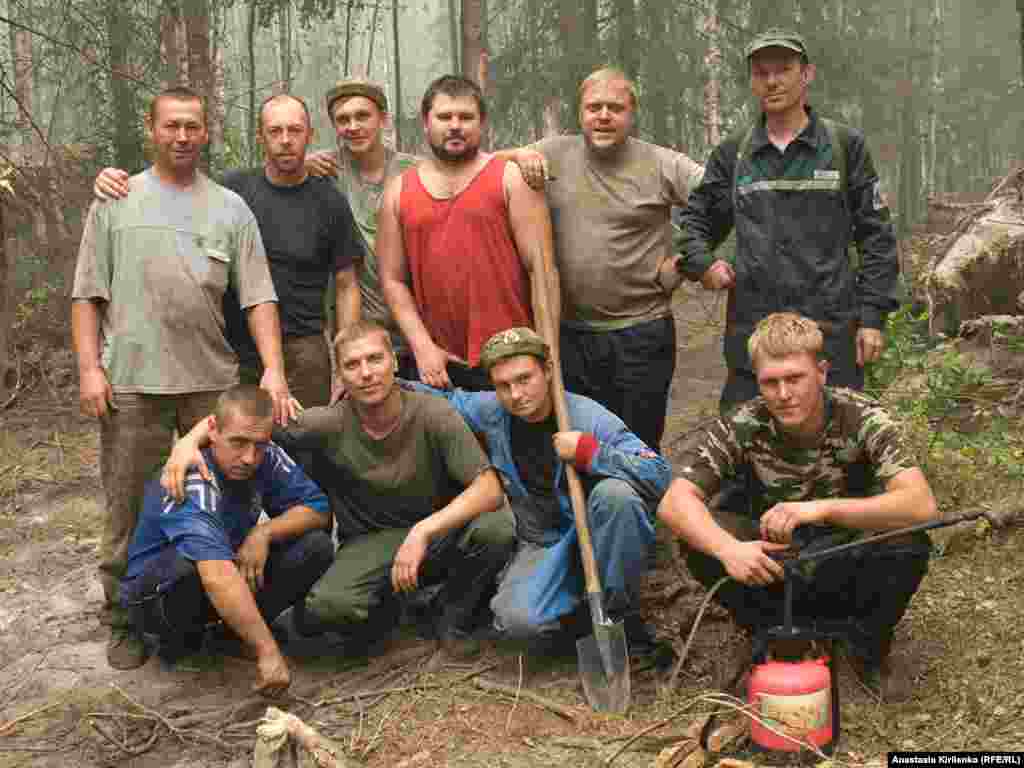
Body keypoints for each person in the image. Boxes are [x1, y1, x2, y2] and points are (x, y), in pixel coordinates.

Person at [71, 86, 289, 670]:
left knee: (228, 494)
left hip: (209, 382)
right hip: (134, 382)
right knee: (127, 503)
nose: (183, 136)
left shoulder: (228, 208)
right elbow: (88, 295)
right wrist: (91, 368)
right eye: (172, 125)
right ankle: (125, 617)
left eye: (193, 126)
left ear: (207, 131)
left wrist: (272, 367)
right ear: (152, 129)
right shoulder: (116, 201)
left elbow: (259, 296)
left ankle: (223, 609)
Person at [163, 321, 516, 657]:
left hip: (436, 532)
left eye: (375, 359)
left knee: (496, 528)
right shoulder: (326, 422)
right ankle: (388, 611)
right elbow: (240, 418)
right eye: (352, 365)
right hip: (370, 541)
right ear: (340, 376)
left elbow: (488, 488)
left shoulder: (432, 413)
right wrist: (188, 442)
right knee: (328, 608)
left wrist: (424, 532)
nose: (366, 373)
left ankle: (453, 614)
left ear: (394, 361)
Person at [657, 313, 938, 699]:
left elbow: (920, 504)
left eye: (795, 378)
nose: (784, 394)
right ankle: (768, 635)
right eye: (771, 382)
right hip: (775, 559)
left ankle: (862, 646)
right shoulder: (743, 423)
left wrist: (820, 508)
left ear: (821, 372)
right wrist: (729, 549)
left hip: (847, 551)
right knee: (701, 535)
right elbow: (675, 501)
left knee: (908, 542)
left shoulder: (862, 416)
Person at [677, 29, 900, 414]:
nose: (773, 81)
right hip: (753, 337)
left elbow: (876, 237)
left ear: (807, 74)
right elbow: (695, 222)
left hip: (831, 337)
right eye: (762, 73)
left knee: (840, 448)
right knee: (743, 451)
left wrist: (872, 318)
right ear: (752, 81)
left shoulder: (844, 147)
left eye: (783, 69)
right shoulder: (735, 153)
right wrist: (704, 264)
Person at [94, 93, 363, 408]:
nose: (286, 140)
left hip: (303, 347)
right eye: (275, 131)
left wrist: (348, 352)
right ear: (260, 137)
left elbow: (347, 285)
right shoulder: (233, 191)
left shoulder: (329, 202)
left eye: (295, 130)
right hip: (233, 346)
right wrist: (110, 180)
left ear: (310, 135)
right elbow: (173, 192)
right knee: (237, 447)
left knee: (307, 441)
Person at [411, 327, 671, 652]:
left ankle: (622, 615)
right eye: (503, 385)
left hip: (594, 533)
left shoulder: (586, 416)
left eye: (524, 379)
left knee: (616, 496)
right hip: (542, 544)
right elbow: (447, 400)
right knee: (517, 623)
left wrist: (591, 453)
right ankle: (577, 615)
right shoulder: (493, 411)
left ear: (547, 371)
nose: (516, 394)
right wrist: (385, 386)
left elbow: (658, 474)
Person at [503, 67, 705, 452]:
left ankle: (643, 510)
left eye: (616, 107)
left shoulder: (663, 164)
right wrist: (516, 155)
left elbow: (720, 198)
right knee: (577, 442)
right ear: (580, 113)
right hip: (570, 334)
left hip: (641, 334)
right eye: (594, 107)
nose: (604, 116)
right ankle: (594, 513)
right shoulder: (552, 155)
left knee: (637, 444)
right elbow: (484, 169)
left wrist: (685, 260)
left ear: (632, 114)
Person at [120, 386, 333, 693]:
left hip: (220, 570)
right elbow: (216, 573)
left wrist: (264, 532)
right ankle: (182, 643)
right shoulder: (192, 478)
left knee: (315, 546)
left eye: (259, 445)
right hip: (158, 593)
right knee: (191, 566)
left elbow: (318, 509)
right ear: (213, 432)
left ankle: (233, 637)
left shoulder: (265, 457)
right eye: (238, 443)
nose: (249, 457)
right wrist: (268, 652)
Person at [377, 75, 559, 392]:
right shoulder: (398, 191)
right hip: (440, 363)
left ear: (482, 123)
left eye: (466, 117)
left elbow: (542, 271)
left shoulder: (510, 178)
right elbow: (392, 280)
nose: (455, 125)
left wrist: (545, 353)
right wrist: (422, 347)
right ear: (426, 122)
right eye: (445, 117)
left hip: (512, 356)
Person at [307, 78, 420, 376]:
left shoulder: (414, 171)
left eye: (362, 116)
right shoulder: (326, 170)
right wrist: (301, 165)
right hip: (355, 325)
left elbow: (464, 166)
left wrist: (515, 155)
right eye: (343, 119)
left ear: (383, 118)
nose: (353, 126)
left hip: (415, 322)